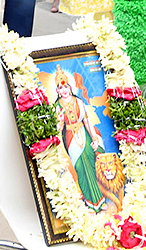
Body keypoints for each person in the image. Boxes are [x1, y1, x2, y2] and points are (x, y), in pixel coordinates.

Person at [53, 67, 106, 208]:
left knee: (91, 164)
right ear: (57, 90)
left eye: (65, 86)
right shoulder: (57, 106)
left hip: (83, 134)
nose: (64, 90)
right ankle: (89, 202)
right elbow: (59, 129)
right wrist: (59, 121)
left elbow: (87, 121)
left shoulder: (78, 101)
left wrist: (94, 137)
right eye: (60, 87)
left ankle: (99, 199)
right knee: (80, 168)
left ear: (70, 87)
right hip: (70, 139)